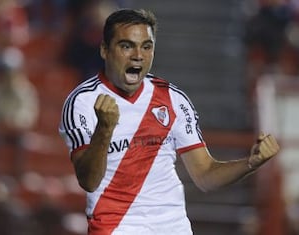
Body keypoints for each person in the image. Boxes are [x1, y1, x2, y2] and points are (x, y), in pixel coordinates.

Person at [59, 9, 280, 235]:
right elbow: (89, 181)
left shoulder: (173, 99)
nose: (138, 55)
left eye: (147, 46)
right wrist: (104, 130)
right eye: (126, 46)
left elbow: (205, 175)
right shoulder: (82, 102)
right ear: (104, 50)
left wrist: (251, 162)